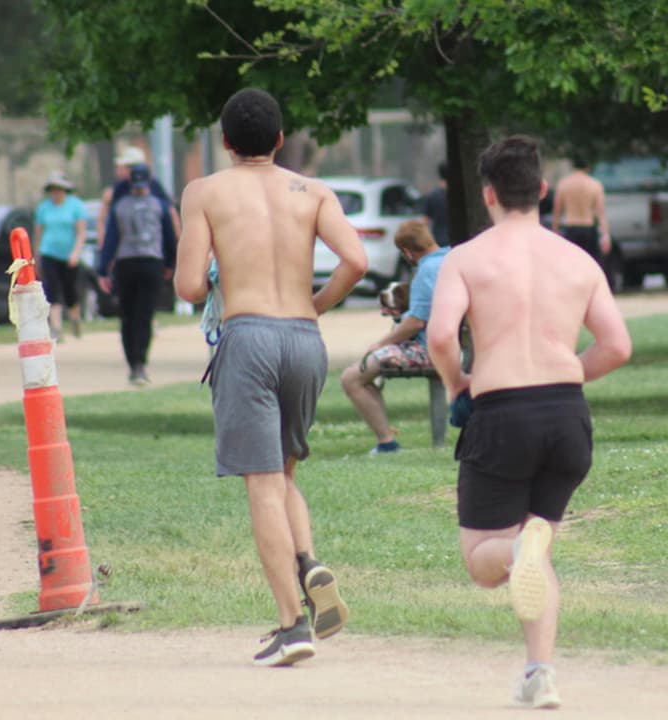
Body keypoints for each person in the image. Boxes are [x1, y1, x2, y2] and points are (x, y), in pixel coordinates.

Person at [426, 136, 632, 709]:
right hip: (567, 418)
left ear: (487, 193)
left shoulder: (465, 258)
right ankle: (540, 672)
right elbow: (616, 346)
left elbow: (441, 336)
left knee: (486, 561)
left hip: (501, 416)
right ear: (542, 190)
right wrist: (567, 376)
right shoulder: (578, 260)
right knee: (538, 550)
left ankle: (519, 553)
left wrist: (455, 384)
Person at [175, 87, 367, 667]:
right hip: (305, 339)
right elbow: (355, 261)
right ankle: (306, 561)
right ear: (281, 139)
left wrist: (216, 275)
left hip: (249, 335)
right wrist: (316, 304)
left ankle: (291, 625)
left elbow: (187, 288)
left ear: (226, 142)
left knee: (260, 482)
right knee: (283, 472)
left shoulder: (204, 192)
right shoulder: (312, 191)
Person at [340, 220, 447, 454]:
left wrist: (381, 343)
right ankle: (386, 438)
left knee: (351, 378)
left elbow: (416, 322)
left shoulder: (426, 271)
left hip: (430, 350)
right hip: (456, 347)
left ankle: (387, 443)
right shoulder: (451, 259)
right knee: (371, 366)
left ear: (407, 252)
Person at [99, 164, 176, 385]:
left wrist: (104, 267)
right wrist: (171, 262)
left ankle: (136, 361)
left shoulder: (119, 206)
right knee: (139, 315)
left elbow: (110, 240)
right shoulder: (159, 205)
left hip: (130, 263)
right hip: (146, 262)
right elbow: (169, 238)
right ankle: (138, 362)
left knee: (132, 315)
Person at [33, 171, 88, 341]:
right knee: (52, 290)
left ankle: (75, 319)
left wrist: (76, 252)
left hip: (69, 255)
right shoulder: (44, 208)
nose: (56, 193)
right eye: (53, 190)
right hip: (49, 253)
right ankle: (56, 327)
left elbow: (81, 232)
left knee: (70, 291)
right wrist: (36, 257)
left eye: (60, 189)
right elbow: (38, 234)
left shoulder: (76, 206)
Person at [97, 145, 179, 249]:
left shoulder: (154, 186)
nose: (120, 171)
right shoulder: (119, 189)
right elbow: (103, 218)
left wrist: (177, 241)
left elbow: (170, 213)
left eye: (124, 167)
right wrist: (103, 239)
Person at [551, 153, 611, 262]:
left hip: (570, 228)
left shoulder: (564, 184)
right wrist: (605, 235)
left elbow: (557, 211)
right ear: (588, 167)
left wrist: (555, 230)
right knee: (591, 262)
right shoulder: (595, 184)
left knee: (571, 263)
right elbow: (600, 212)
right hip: (588, 228)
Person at [419, 162, 450, 246]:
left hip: (438, 241)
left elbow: (424, 223)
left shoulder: (432, 196)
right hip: (460, 241)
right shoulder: (461, 195)